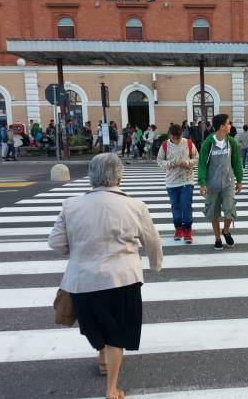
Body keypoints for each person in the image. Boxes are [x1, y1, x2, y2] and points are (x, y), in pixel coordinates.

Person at [48, 153, 162, 399]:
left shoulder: (71, 205)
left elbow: (55, 243)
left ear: (91, 177)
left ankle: (102, 355)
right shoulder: (135, 206)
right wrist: (155, 265)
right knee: (117, 333)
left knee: (95, 325)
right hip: (122, 280)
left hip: (83, 281)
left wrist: (78, 249)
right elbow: (152, 240)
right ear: (119, 176)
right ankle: (111, 388)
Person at [197, 113, 243, 250]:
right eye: (229, 123)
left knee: (230, 210)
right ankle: (217, 238)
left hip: (228, 183)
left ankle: (226, 231)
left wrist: (239, 180)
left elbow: (236, 162)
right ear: (222, 127)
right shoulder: (208, 144)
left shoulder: (231, 142)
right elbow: (202, 164)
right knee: (213, 212)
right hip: (212, 185)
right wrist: (202, 183)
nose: (230, 126)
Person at [157, 124, 198, 243]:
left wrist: (188, 163)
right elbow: (159, 161)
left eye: (178, 138)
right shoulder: (165, 145)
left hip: (187, 180)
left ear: (181, 135)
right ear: (170, 135)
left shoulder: (189, 143)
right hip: (171, 182)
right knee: (175, 207)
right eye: (174, 138)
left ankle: (188, 231)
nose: (176, 140)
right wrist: (172, 163)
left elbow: (197, 158)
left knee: (186, 206)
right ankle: (178, 229)